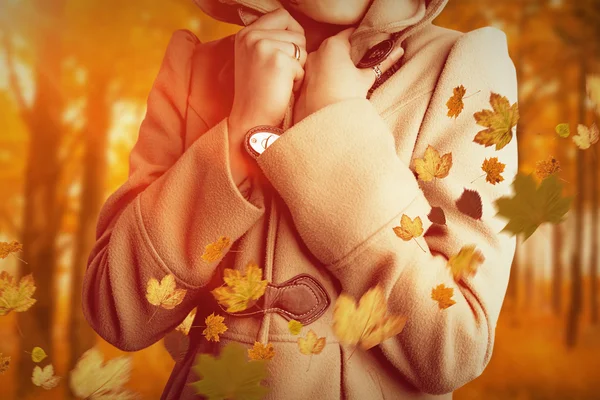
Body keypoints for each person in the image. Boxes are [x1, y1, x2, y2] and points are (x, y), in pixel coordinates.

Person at [81, 0, 519, 399]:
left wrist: (336, 129)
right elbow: (117, 312)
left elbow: (454, 349)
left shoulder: (463, 71)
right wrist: (243, 129)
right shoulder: (194, 69)